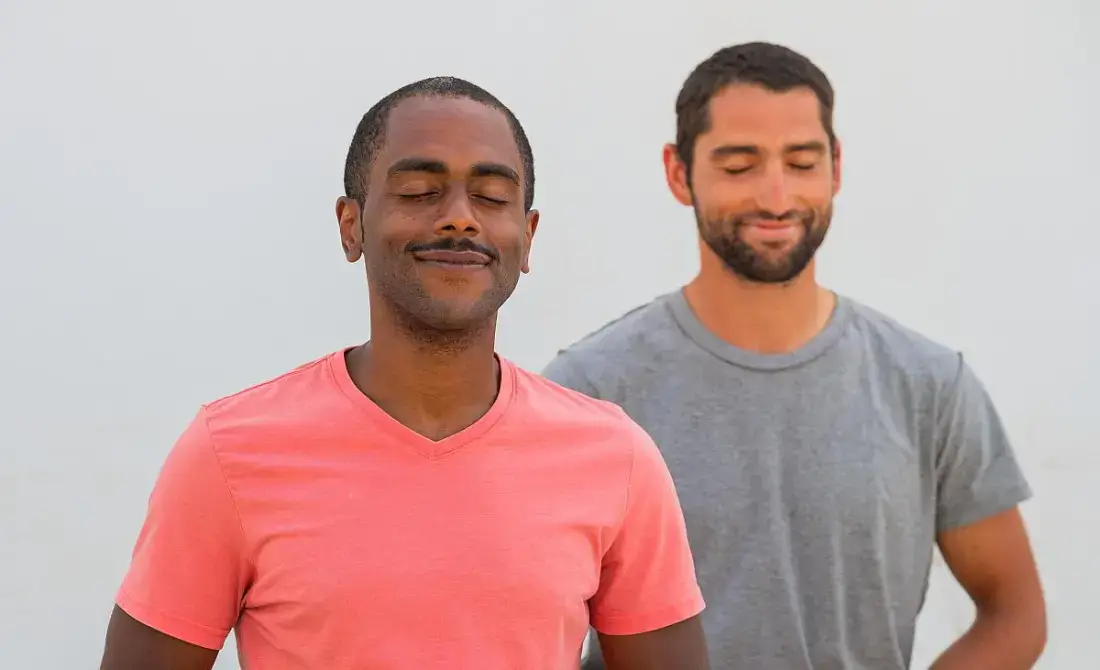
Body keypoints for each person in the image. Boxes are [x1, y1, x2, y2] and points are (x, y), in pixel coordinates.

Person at [99, 76, 709, 670]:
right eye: (419, 190)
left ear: (526, 237)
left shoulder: (615, 456)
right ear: (350, 225)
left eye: (493, 198)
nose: (460, 218)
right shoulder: (228, 452)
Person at [544, 43, 1046, 670]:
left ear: (836, 167)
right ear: (679, 173)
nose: (776, 197)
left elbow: (1015, 612)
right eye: (739, 166)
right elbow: (529, 630)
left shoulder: (930, 386)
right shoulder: (590, 390)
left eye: (802, 162)